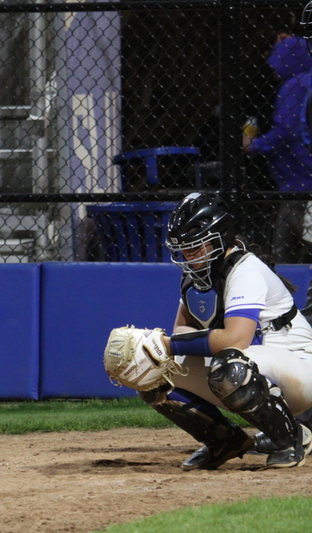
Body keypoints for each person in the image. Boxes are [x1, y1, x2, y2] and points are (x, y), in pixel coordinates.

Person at [137, 192, 312, 470]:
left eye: (196, 246)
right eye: (184, 248)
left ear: (220, 238)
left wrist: (170, 344)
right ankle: (223, 440)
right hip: (258, 367)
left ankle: (292, 438)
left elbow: (234, 339)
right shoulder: (197, 275)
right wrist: (162, 348)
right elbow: (181, 330)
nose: (188, 255)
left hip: (300, 368)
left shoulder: (245, 269)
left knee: (230, 364)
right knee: (150, 369)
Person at [244, 34, 312, 263]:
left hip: (298, 178)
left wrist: (255, 145)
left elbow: (287, 130)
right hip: (298, 178)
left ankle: (284, 279)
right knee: (289, 238)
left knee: (291, 239)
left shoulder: (295, 85)